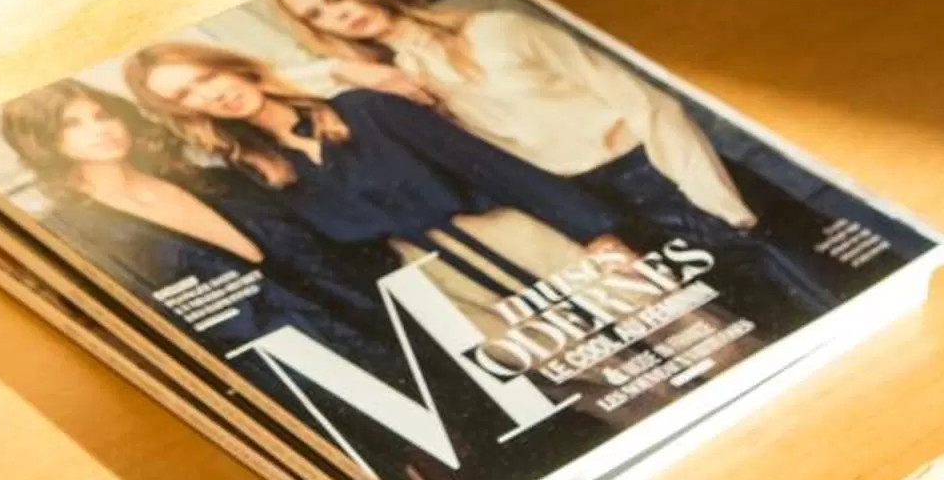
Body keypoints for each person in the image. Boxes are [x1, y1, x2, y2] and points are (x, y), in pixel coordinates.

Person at [265, 0, 854, 319]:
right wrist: (341, 69)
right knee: (753, 310)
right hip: (596, 203)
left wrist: (714, 197)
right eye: (319, 16)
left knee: (823, 289)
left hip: (662, 171)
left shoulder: (500, 30)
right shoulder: (407, 80)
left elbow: (649, 105)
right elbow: (261, 89)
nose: (339, 15)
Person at [122, 38, 632, 300]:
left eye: (207, 76)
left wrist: (598, 235)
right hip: (449, 286)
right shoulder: (263, 174)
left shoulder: (367, 109)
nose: (212, 94)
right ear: (185, 114)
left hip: (522, 240)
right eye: (186, 95)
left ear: (232, 67)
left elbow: (499, 171)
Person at [0, 78, 400, 362]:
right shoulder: (70, 235)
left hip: (371, 326)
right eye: (71, 124)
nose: (100, 130)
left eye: (102, 115)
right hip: (283, 371)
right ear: (42, 141)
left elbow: (326, 251)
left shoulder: (215, 182)